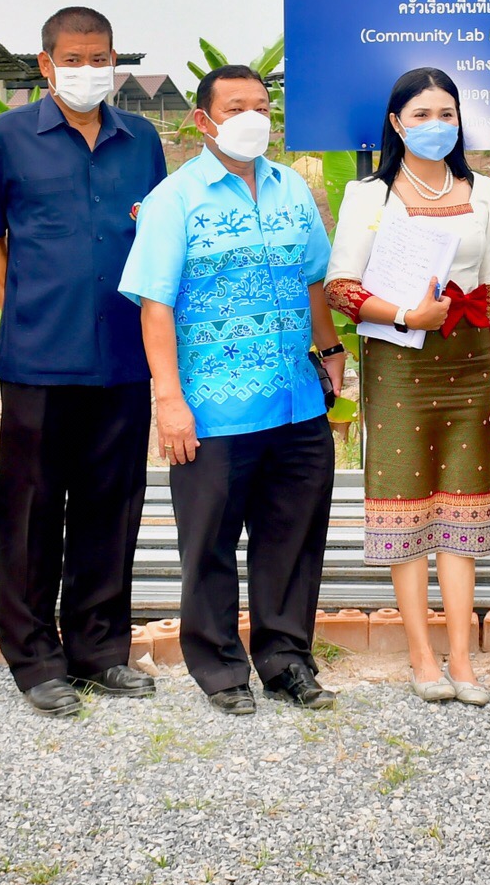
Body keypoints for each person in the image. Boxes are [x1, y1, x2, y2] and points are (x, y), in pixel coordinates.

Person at [121, 64, 349, 715]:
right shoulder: (175, 199)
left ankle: (286, 659)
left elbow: (312, 278)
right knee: (211, 545)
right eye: (236, 106)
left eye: (261, 105)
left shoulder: (292, 191)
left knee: (292, 539)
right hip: (213, 409)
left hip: (296, 401)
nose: (253, 117)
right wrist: (169, 400)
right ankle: (220, 669)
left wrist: (330, 350)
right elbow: (154, 306)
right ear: (204, 120)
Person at [0, 8, 168, 717]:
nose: (90, 71)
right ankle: (33, 657)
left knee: (111, 507)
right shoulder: (8, 137)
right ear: (46, 65)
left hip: (122, 353)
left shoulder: (141, 140)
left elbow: (156, 236)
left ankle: (99, 649)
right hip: (40, 356)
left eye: (102, 58)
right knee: (31, 510)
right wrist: (17, 300)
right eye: (74, 59)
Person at [326, 66, 490, 705]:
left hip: (469, 364)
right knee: (407, 510)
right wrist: (408, 314)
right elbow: (342, 288)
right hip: (400, 363)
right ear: (396, 123)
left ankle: (462, 658)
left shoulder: (481, 191)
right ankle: (420, 656)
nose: (436, 126)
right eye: (422, 115)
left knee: (461, 510)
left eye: (447, 114)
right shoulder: (368, 197)